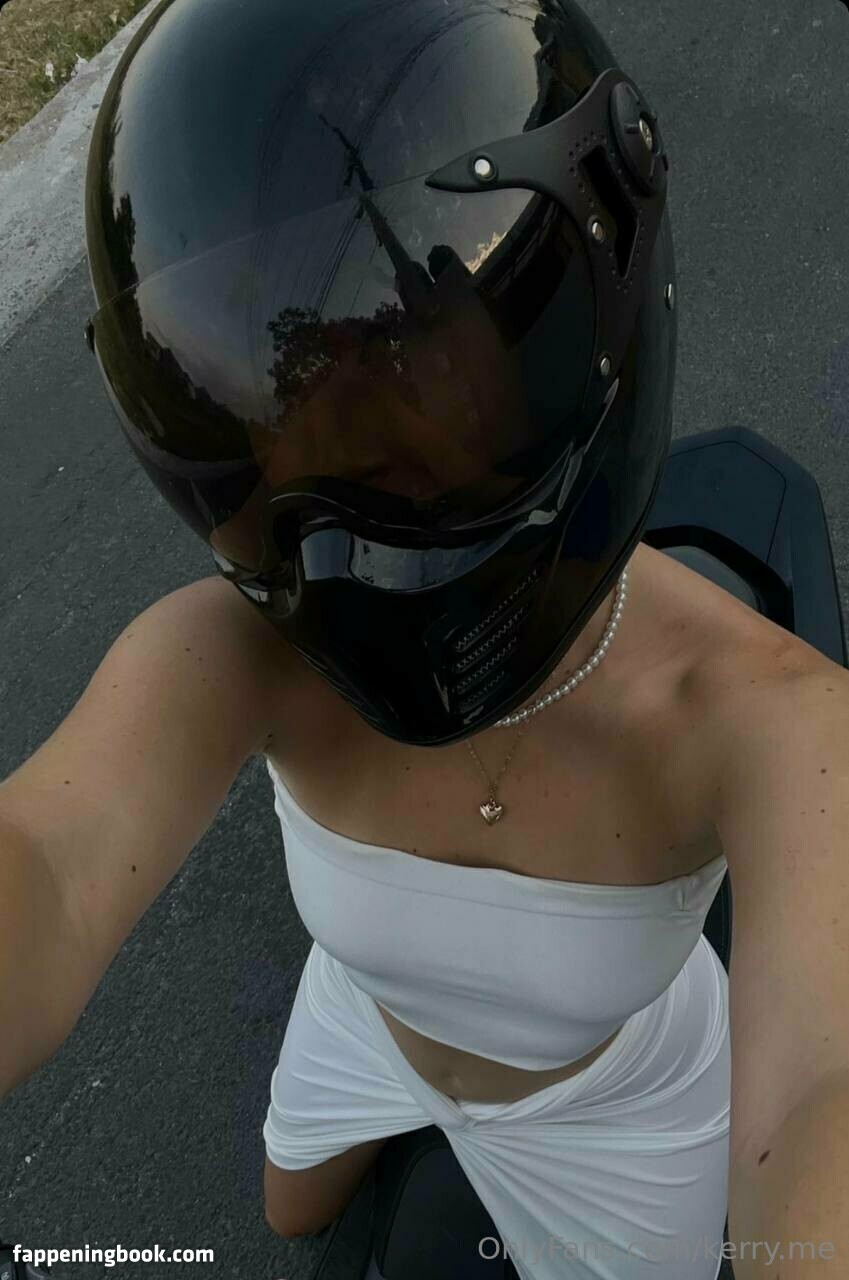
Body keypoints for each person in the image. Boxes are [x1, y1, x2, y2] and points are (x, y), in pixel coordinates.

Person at [2, 1, 848, 1277]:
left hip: (610, 1103)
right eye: (280, 406)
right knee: (291, 1209)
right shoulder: (238, 646)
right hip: (376, 1014)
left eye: (411, 373)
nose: (340, 536)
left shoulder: (771, 721)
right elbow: (49, 860)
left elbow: (820, 1095)